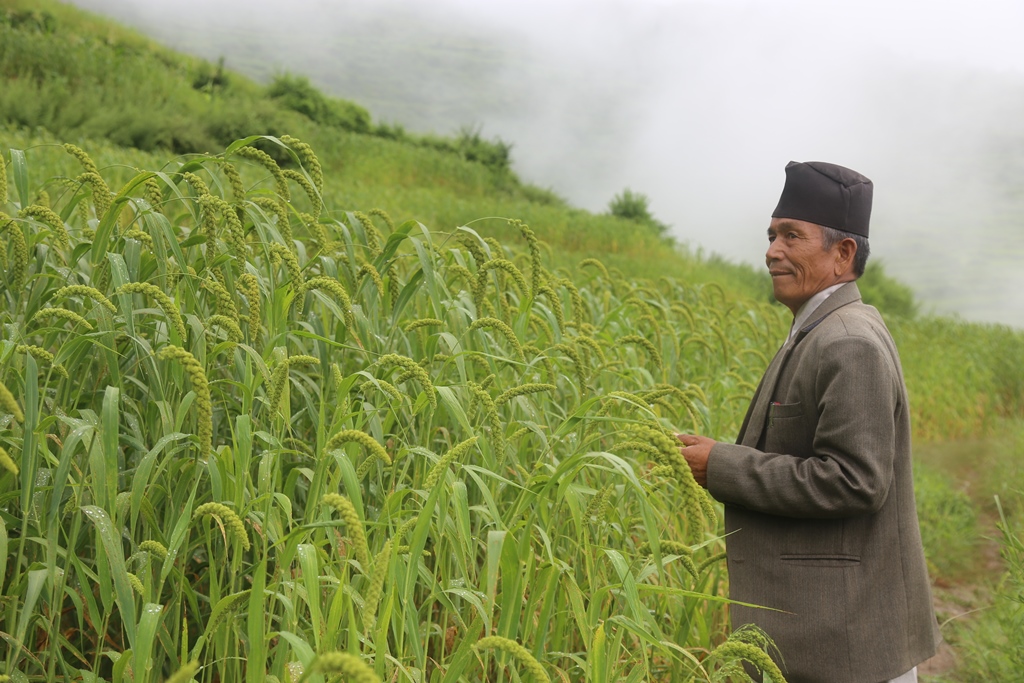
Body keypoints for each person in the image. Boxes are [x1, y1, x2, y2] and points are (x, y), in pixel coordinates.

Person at [678, 161, 941, 683]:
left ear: (843, 254)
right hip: (831, 638)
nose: (773, 250)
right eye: (772, 235)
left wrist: (721, 465)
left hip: (844, 647)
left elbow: (855, 481)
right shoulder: (817, 329)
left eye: (792, 236)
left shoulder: (846, 341)